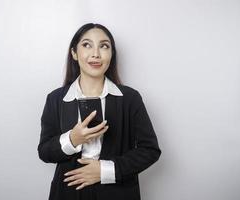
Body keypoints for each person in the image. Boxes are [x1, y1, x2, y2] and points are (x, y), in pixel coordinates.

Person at [37, 23, 161, 200]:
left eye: (104, 46)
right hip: (68, 194)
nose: (95, 53)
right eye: (87, 45)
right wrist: (73, 139)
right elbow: (45, 152)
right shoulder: (55, 99)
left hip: (117, 193)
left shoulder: (130, 98)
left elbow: (150, 150)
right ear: (74, 53)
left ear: (111, 54)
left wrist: (104, 170)